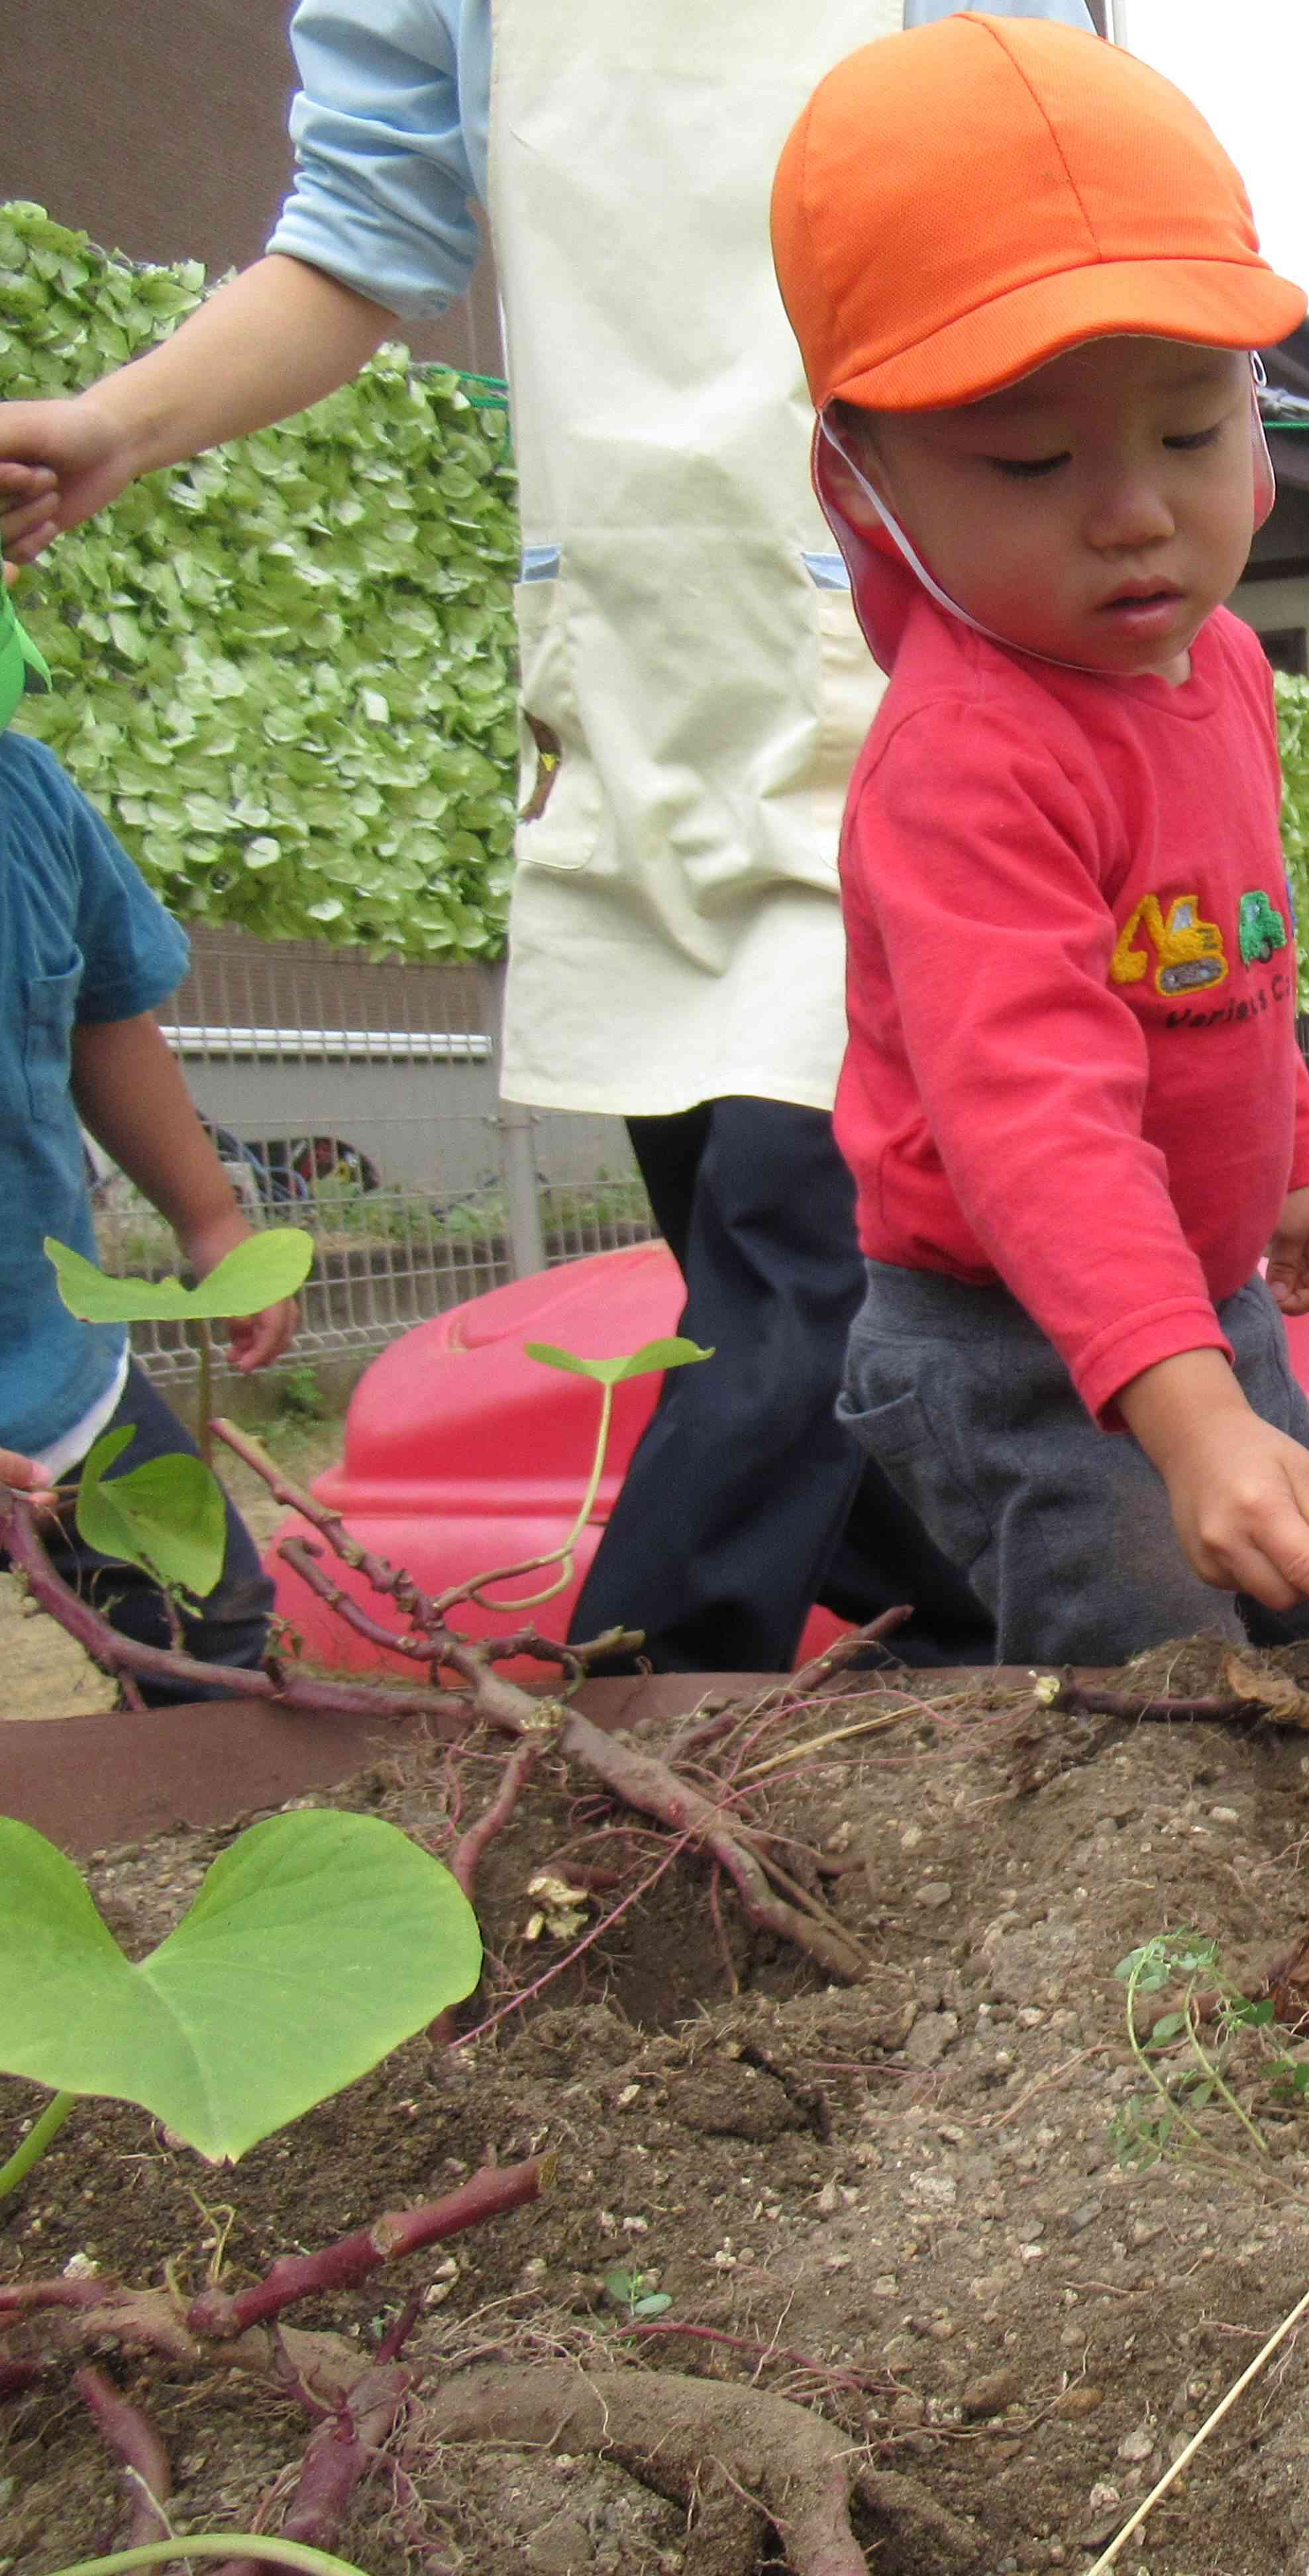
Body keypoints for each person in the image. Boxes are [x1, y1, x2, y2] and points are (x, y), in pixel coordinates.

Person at [0, 0, 1098, 1674]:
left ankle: (622, 1758)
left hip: (919, 675)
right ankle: (985, 1646)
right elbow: (364, 237)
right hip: (639, 687)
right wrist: (118, 427)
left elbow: (1085, 242)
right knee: (768, 1284)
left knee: (801, 1264)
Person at [770, 17, 1309, 1666]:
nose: (1134, 510)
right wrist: (1186, 1423)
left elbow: (1240, 935)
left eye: (1189, 433)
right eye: (1033, 458)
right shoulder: (969, 755)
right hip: (1005, 1338)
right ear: (862, 486)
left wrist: (1296, 1159)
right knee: (1164, 1670)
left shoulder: (1229, 667)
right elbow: (1029, 1111)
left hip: (1199, 1300)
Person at [0, 588, 298, 1693]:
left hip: (49, 1362)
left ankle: (225, 1847)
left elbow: (105, 1022)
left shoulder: (26, 799)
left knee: (208, 1625)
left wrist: (213, 1224)